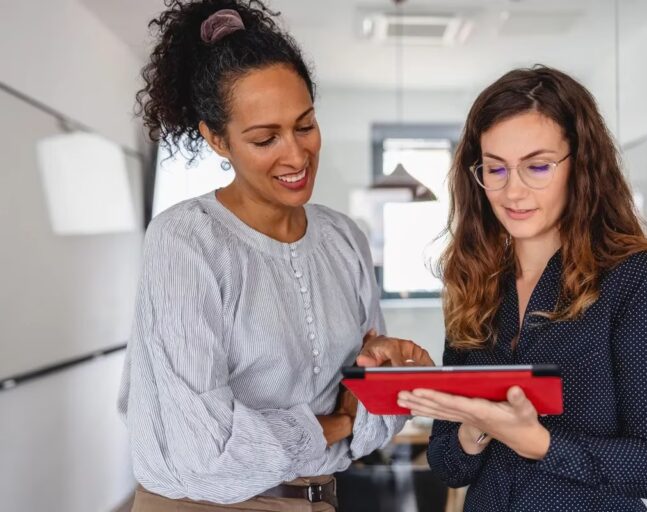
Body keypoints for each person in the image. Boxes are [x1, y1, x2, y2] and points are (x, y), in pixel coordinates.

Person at [117, 1, 432, 511]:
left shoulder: (343, 239)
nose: (296, 154)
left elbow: (377, 417)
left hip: (321, 499)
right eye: (265, 138)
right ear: (217, 140)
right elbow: (208, 451)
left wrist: (387, 373)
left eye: (305, 125)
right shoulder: (185, 241)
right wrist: (338, 422)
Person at [397, 66, 647, 511]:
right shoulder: (475, 279)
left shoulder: (636, 280)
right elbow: (449, 466)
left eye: (537, 166)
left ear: (582, 165)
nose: (513, 191)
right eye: (495, 169)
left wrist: (539, 442)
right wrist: (474, 428)